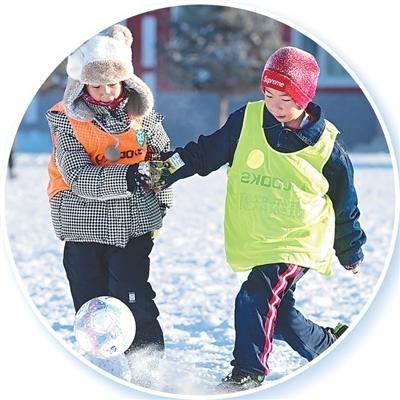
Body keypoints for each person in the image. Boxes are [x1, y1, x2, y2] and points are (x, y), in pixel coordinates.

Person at [151, 46, 366, 392]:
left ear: (305, 97)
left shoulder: (327, 145)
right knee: (277, 315)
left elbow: (345, 203)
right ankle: (328, 347)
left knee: (254, 297)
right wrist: (163, 170)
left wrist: (350, 250)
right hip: (262, 237)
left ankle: (247, 372)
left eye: (286, 99)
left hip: (299, 238)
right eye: (268, 95)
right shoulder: (247, 120)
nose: (275, 106)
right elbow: (204, 153)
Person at [46, 25, 173, 365]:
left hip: (133, 226)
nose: (105, 91)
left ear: (126, 80)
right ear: (82, 84)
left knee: (134, 298)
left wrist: (162, 205)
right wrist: (130, 176)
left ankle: (148, 368)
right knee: (92, 308)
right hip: (82, 228)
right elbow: (78, 177)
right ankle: (103, 372)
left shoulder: (144, 118)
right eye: (97, 85)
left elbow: (163, 162)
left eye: (113, 83)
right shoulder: (67, 122)